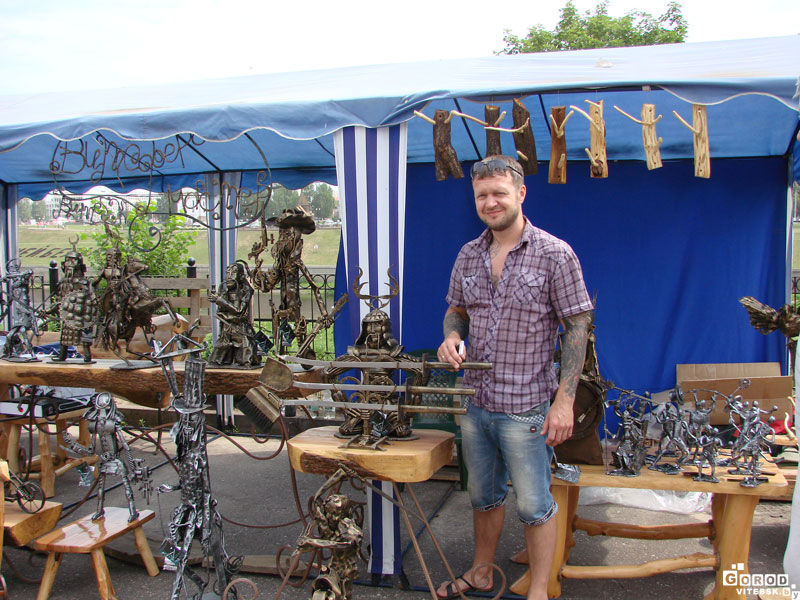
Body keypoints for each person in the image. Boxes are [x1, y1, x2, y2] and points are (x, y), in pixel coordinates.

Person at [436, 155, 593, 600]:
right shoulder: (468, 254)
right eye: (482, 195)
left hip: (526, 408)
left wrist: (564, 402)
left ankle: (541, 589)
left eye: (499, 193)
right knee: (482, 496)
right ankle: (481, 572)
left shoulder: (555, 253)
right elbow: (457, 310)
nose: (490, 202)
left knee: (534, 504)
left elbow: (577, 326)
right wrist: (452, 337)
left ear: (521, 193)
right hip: (475, 403)